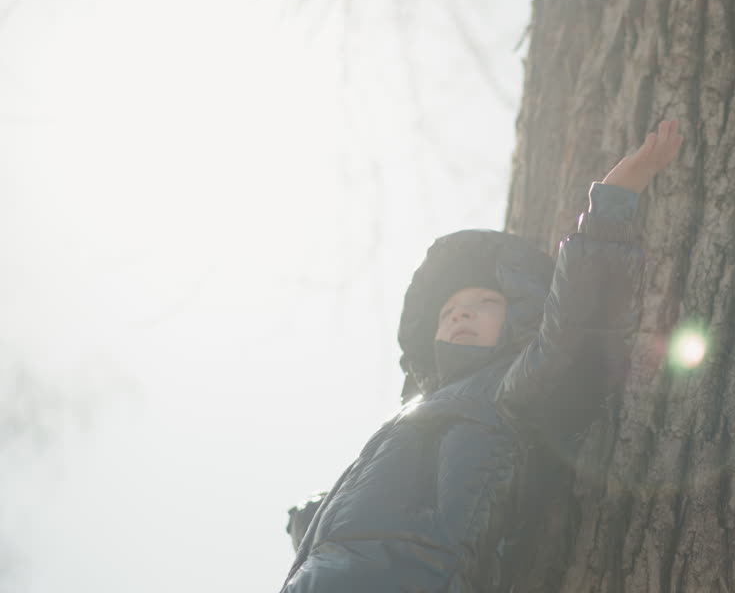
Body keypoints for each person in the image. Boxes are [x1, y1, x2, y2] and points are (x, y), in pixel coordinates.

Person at [279, 121, 684, 593]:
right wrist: (309, 518)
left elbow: (581, 331)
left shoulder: (510, 386)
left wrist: (613, 205)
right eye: (448, 311)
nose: (462, 312)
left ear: (519, 320)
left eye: (485, 303)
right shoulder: (412, 414)